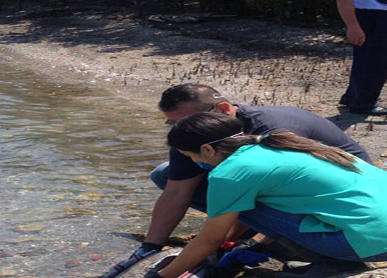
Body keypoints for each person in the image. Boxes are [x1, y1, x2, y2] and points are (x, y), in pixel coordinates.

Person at [100, 84, 373, 276]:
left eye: (185, 122)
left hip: (353, 225)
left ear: (222, 109)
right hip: (365, 202)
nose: (180, 129)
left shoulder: (272, 133)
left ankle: (325, 253)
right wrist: (150, 247)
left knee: (241, 203)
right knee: (165, 173)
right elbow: (175, 192)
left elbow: (218, 231)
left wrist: (241, 242)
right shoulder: (241, 141)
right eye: (173, 124)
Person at [144, 112, 387, 278]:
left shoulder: (230, 173)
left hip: (367, 243)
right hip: (375, 233)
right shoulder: (282, 141)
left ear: (206, 149)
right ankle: (330, 259)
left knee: (243, 204)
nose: (193, 162)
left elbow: (210, 239)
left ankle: (338, 263)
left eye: (190, 156)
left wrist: (163, 275)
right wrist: (255, 242)